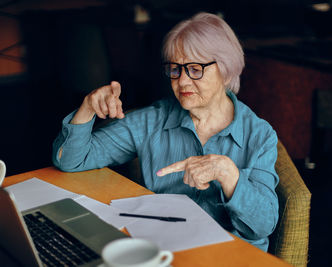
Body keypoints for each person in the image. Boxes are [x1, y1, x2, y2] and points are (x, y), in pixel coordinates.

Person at [52, 12, 279, 251]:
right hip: (165, 248)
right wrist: (88, 108)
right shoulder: (152, 120)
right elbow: (71, 161)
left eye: (194, 69)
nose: (181, 82)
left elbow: (262, 226)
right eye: (175, 69)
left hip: (231, 255)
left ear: (226, 70)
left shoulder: (259, 135)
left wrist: (229, 175)